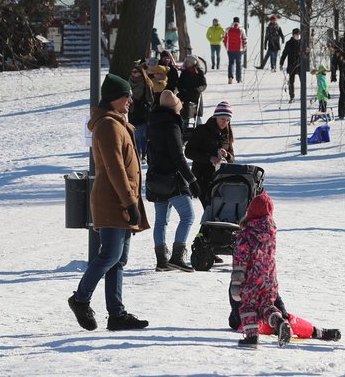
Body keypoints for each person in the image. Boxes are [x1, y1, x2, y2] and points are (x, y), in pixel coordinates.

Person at [68, 73, 150, 332]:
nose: (130, 101)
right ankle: (80, 299)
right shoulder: (108, 125)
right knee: (109, 256)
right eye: (127, 96)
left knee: (119, 259)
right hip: (112, 201)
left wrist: (132, 201)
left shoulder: (118, 123)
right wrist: (129, 202)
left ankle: (116, 314)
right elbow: (115, 169)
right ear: (115, 98)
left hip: (123, 201)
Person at [146, 90, 200, 272]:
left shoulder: (152, 123)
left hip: (156, 179)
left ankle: (162, 260)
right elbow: (178, 156)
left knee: (161, 221)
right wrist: (191, 180)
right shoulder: (171, 125)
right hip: (172, 180)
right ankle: (177, 256)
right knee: (188, 216)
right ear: (175, 108)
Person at [230, 191, 292, 348]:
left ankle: (251, 338)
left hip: (251, 279)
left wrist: (236, 283)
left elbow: (240, 261)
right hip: (270, 279)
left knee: (247, 307)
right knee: (266, 307)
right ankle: (279, 322)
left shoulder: (245, 235)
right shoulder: (271, 232)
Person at [184, 101, 235, 207]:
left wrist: (227, 155)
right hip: (202, 178)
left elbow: (232, 158)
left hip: (221, 180)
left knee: (218, 212)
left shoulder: (227, 133)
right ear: (215, 117)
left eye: (227, 120)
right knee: (209, 210)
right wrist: (209, 158)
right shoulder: (201, 130)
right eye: (222, 119)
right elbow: (188, 152)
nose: (224, 123)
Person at [127, 63, 154, 161]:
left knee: (142, 134)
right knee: (135, 134)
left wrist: (147, 105)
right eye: (132, 72)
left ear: (141, 73)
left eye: (135, 72)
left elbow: (150, 99)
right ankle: (138, 154)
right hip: (132, 111)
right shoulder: (128, 83)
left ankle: (143, 154)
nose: (133, 74)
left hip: (143, 111)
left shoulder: (146, 83)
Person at [176, 55, 207, 130]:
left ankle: (200, 130)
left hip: (196, 96)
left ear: (193, 62)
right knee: (185, 115)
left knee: (197, 117)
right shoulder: (184, 72)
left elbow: (204, 84)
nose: (186, 63)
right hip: (185, 96)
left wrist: (198, 89)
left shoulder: (199, 72)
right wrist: (182, 90)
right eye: (186, 61)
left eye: (188, 62)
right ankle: (183, 130)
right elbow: (180, 83)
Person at [280, 29, 302, 103]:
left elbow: (306, 54)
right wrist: (281, 63)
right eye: (296, 34)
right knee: (291, 82)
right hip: (292, 64)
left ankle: (303, 96)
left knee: (303, 81)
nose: (298, 36)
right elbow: (284, 53)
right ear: (293, 35)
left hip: (300, 65)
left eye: (299, 34)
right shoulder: (289, 43)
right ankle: (292, 97)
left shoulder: (302, 43)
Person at [223, 17, 247, 84]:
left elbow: (224, 39)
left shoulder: (227, 29)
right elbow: (245, 39)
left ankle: (230, 77)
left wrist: (226, 47)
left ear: (233, 21)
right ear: (239, 22)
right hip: (239, 49)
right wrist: (244, 47)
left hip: (230, 49)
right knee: (238, 64)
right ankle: (238, 79)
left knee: (231, 63)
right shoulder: (242, 29)